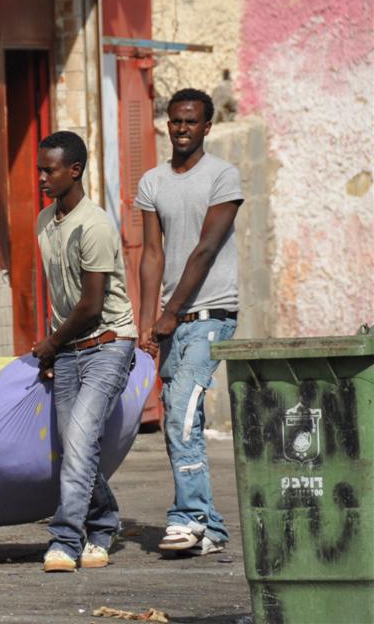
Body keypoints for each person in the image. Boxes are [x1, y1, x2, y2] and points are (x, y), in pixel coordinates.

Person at [135, 88, 243, 556]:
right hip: (170, 322)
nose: (181, 129)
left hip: (211, 316)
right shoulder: (152, 182)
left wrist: (171, 312)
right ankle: (213, 529)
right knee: (183, 420)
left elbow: (205, 249)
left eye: (191, 122)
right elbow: (152, 254)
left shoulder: (223, 176)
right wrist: (148, 322)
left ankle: (189, 518)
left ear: (206, 127)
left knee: (179, 410)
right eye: (175, 121)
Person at [32, 131, 137, 573]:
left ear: (74, 170)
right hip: (69, 349)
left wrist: (50, 343)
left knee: (79, 442)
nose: (41, 177)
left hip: (108, 343)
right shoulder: (43, 222)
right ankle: (104, 523)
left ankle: (64, 540)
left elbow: (92, 305)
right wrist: (54, 348)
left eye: (49, 169)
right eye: (39, 169)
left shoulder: (95, 225)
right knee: (72, 447)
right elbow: (58, 296)